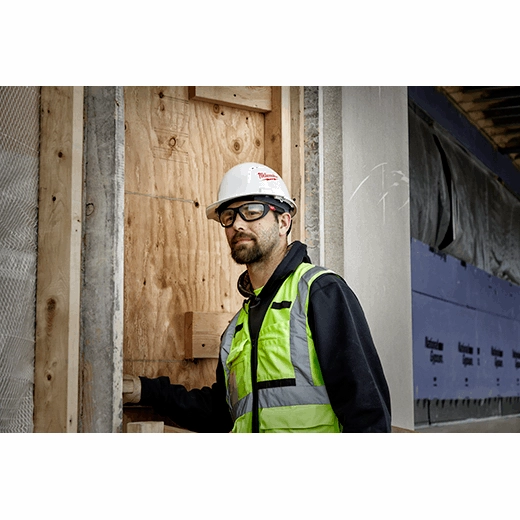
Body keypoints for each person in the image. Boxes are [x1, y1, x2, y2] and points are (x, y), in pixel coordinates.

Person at [123, 162, 391, 433]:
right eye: (229, 216)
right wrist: (145, 391)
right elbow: (221, 414)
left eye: (252, 211)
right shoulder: (237, 329)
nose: (237, 224)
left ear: (283, 222)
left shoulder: (320, 292)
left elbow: (367, 411)